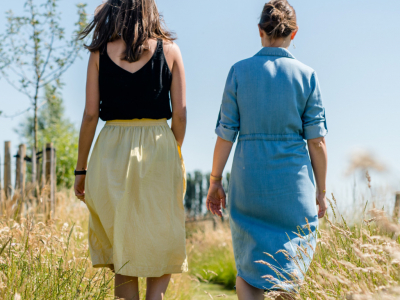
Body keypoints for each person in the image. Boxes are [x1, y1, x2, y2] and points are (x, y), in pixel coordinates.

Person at [206, 0, 328, 299]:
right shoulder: (307, 76)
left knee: (249, 266)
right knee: (290, 269)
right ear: (294, 34)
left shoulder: (239, 71)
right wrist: (321, 191)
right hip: (293, 186)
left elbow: (225, 135)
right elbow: (317, 141)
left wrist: (215, 181)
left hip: (249, 182)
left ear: (260, 30)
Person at [74, 1, 187, 299]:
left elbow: (89, 115)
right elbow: (181, 114)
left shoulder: (100, 52)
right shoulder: (171, 50)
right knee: (160, 227)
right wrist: (174, 150)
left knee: (120, 232)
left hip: (111, 147)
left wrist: (81, 168)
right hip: (159, 145)